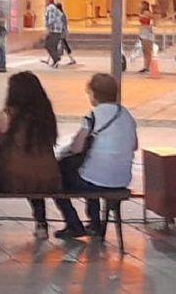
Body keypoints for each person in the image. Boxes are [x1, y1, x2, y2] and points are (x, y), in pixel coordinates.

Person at [54, 74, 139, 240]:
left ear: (94, 94)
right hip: (122, 180)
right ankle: (94, 224)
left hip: (95, 181)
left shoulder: (93, 116)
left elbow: (77, 148)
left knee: (58, 182)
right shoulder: (126, 114)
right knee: (89, 171)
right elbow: (134, 145)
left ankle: (74, 224)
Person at [0, 71, 61, 239]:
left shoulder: (5, 116)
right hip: (49, 179)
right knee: (33, 172)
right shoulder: (46, 116)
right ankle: (41, 223)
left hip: (14, 179)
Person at [42, 0, 66, 68]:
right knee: (53, 46)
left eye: (46, 1)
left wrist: (48, 28)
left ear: (49, 2)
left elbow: (51, 19)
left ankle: (56, 59)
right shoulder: (55, 8)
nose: (45, 3)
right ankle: (55, 60)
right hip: (57, 30)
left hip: (54, 30)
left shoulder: (50, 8)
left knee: (48, 45)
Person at [137, 1, 157, 77]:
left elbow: (154, 18)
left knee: (148, 51)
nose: (139, 5)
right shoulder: (142, 12)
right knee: (145, 51)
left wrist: (152, 26)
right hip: (143, 32)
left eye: (140, 4)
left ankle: (148, 67)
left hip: (147, 33)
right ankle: (145, 66)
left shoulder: (146, 12)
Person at [56, 1, 78, 66]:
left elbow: (62, 25)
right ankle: (71, 59)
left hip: (61, 33)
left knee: (62, 46)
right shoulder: (61, 14)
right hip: (62, 33)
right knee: (64, 46)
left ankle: (55, 60)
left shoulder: (61, 15)